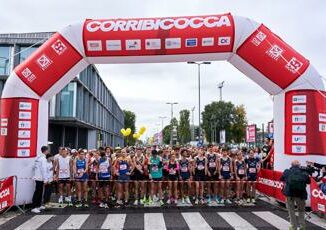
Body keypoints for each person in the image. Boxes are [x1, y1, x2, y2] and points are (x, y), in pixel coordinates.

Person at [280, 160, 310, 230]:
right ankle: (302, 226)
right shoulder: (304, 172)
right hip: (301, 194)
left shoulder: (287, 171)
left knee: (291, 210)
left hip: (290, 194)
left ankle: (293, 226)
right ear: (299, 165)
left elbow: (281, 179)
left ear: (291, 165)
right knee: (301, 210)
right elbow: (308, 182)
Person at [31, 146, 49, 213]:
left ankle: (38, 205)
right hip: (40, 178)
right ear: (46, 151)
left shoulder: (38, 157)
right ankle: (34, 207)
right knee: (38, 192)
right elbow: (43, 169)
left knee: (40, 191)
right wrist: (45, 179)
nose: (48, 152)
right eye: (48, 150)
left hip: (37, 177)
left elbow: (34, 167)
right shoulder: (43, 159)